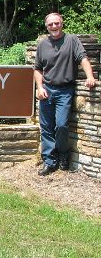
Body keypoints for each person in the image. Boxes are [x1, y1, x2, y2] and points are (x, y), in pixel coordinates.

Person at [34, 13, 95, 176]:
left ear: (62, 24)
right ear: (46, 26)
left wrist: (90, 76)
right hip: (47, 90)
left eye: (56, 23)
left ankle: (63, 155)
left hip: (64, 90)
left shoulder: (71, 40)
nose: (54, 27)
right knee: (46, 127)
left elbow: (83, 58)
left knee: (61, 125)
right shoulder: (42, 45)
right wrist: (39, 87)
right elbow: (38, 68)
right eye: (50, 24)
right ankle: (49, 161)